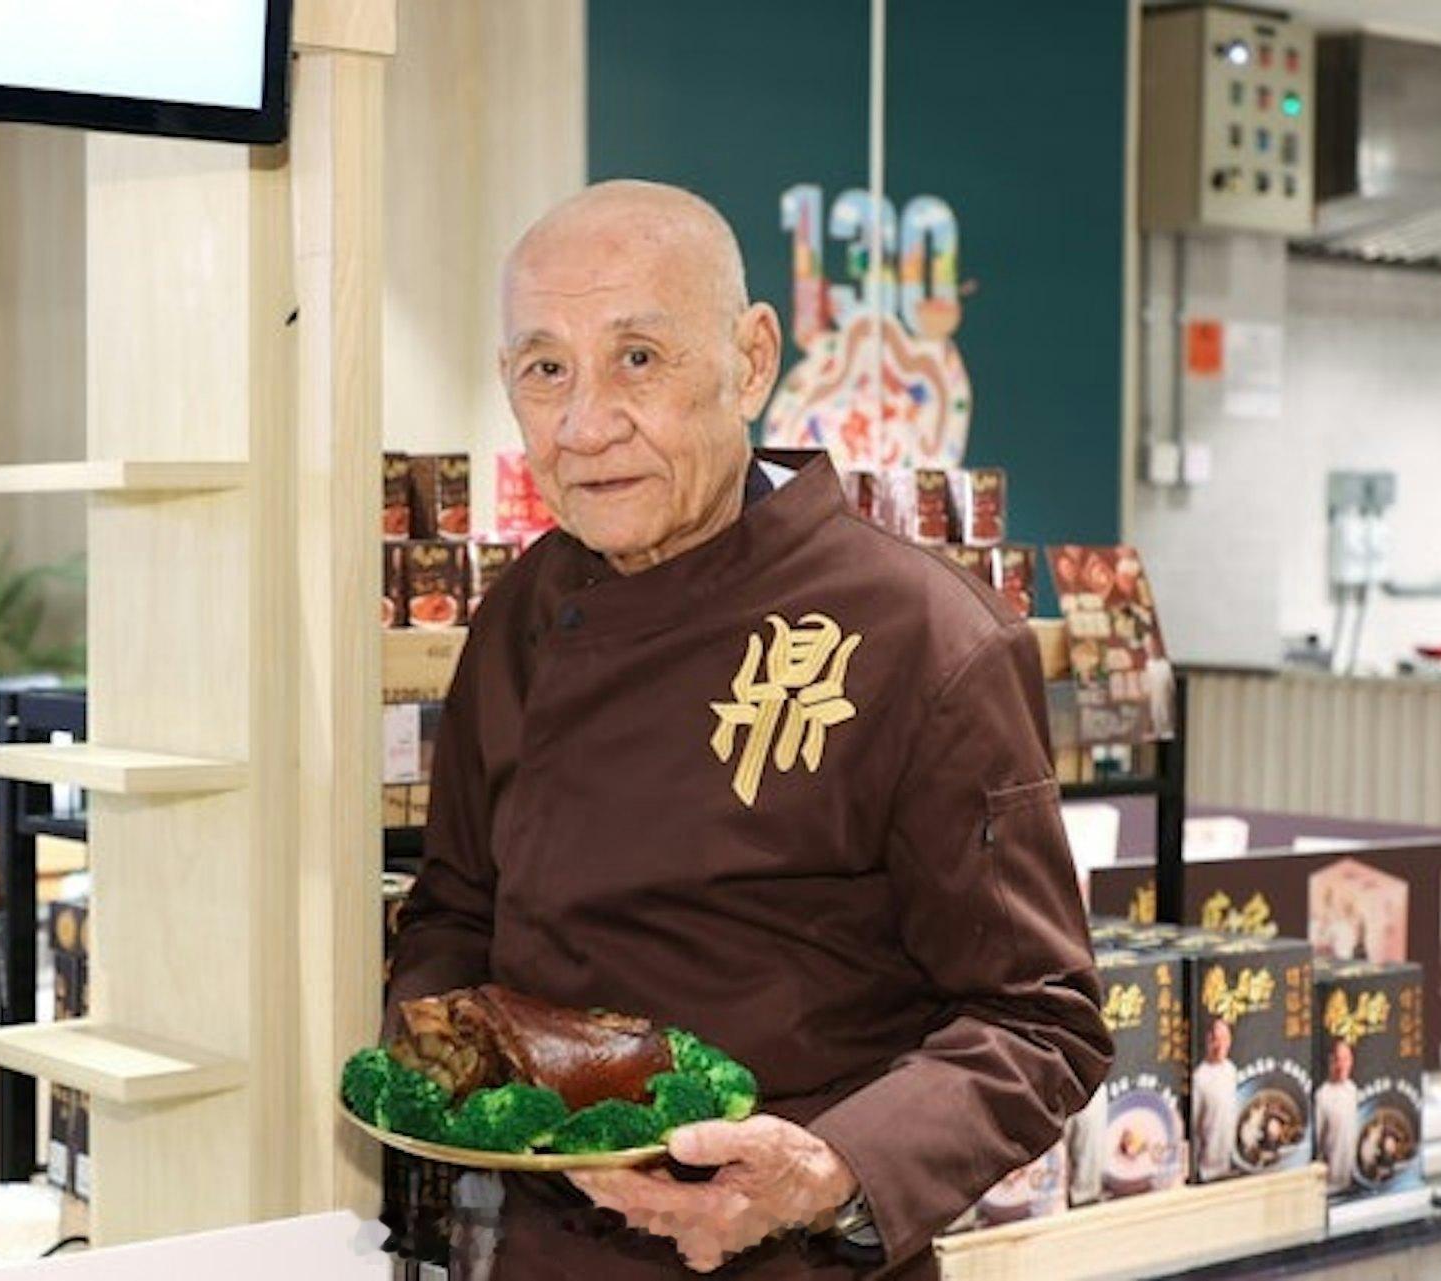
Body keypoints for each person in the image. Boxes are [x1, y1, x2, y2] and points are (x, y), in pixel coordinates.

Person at [386, 180, 1112, 1279]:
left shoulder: (923, 636)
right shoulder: (520, 612)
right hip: (534, 1252)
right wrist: (433, 1056)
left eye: (638, 358)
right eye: (546, 371)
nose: (586, 425)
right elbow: (458, 904)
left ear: (753, 360)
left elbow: (1039, 1021)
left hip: (792, 1259)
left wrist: (830, 1169)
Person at [1191, 1019, 1238, 1181]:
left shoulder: (1231, 1070)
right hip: (1207, 1167)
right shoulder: (1199, 1077)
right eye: (1215, 1039)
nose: (1220, 1045)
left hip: (1231, 1163)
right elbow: (1194, 1126)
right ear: (1208, 1041)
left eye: (1224, 1039)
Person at [1315, 1039, 1360, 1193]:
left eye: (1346, 1059)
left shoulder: (1353, 1090)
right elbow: (1318, 1143)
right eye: (1337, 1060)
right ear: (1330, 1062)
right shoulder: (1322, 1095)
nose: (1341, 1066)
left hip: (1353, 1181)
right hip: (1331, 1184)